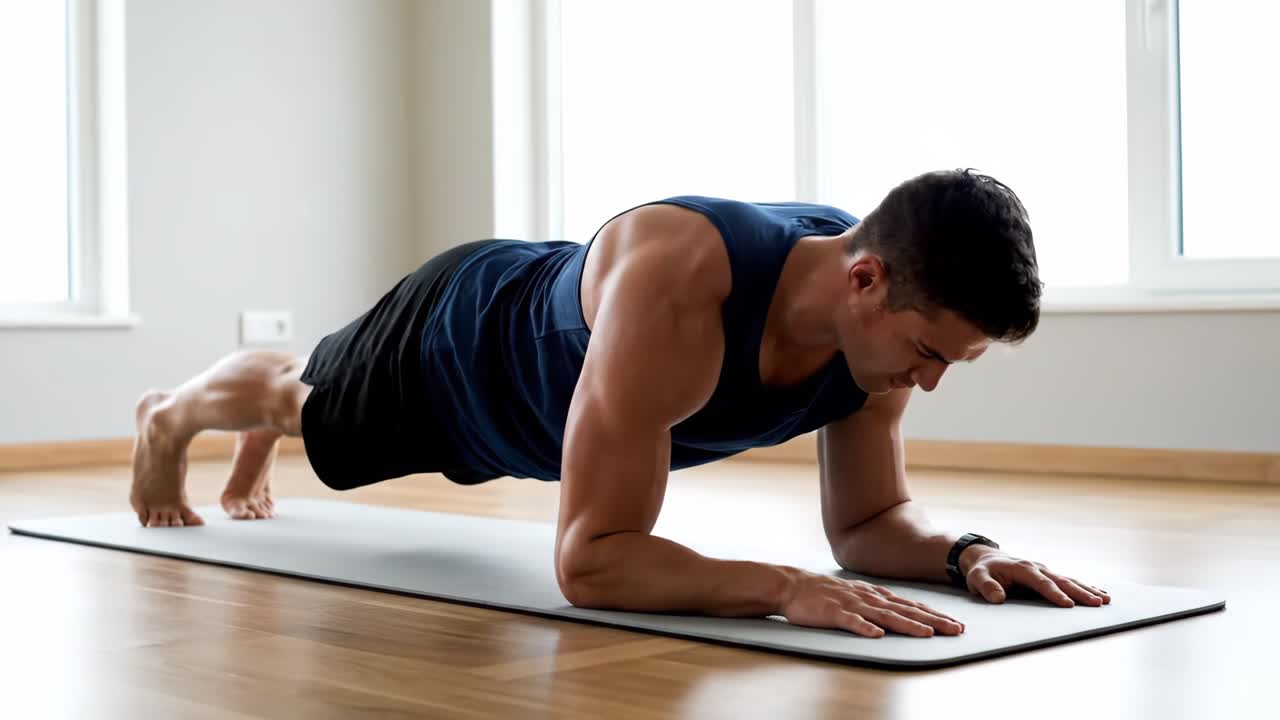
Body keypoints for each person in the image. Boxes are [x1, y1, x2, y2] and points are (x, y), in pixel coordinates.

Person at [129, 168, 1111, 639]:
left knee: (310, 408)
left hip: (541, 416)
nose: (927, 381)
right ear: (862, 283)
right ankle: (172, 417)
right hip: (461, 345)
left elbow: (865, 524)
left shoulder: (872, 340)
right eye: (929, 352)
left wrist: (963, 553)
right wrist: (776, 584)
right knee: (306, 403)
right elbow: (589, 564)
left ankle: (254, 420)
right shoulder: (683, 283)